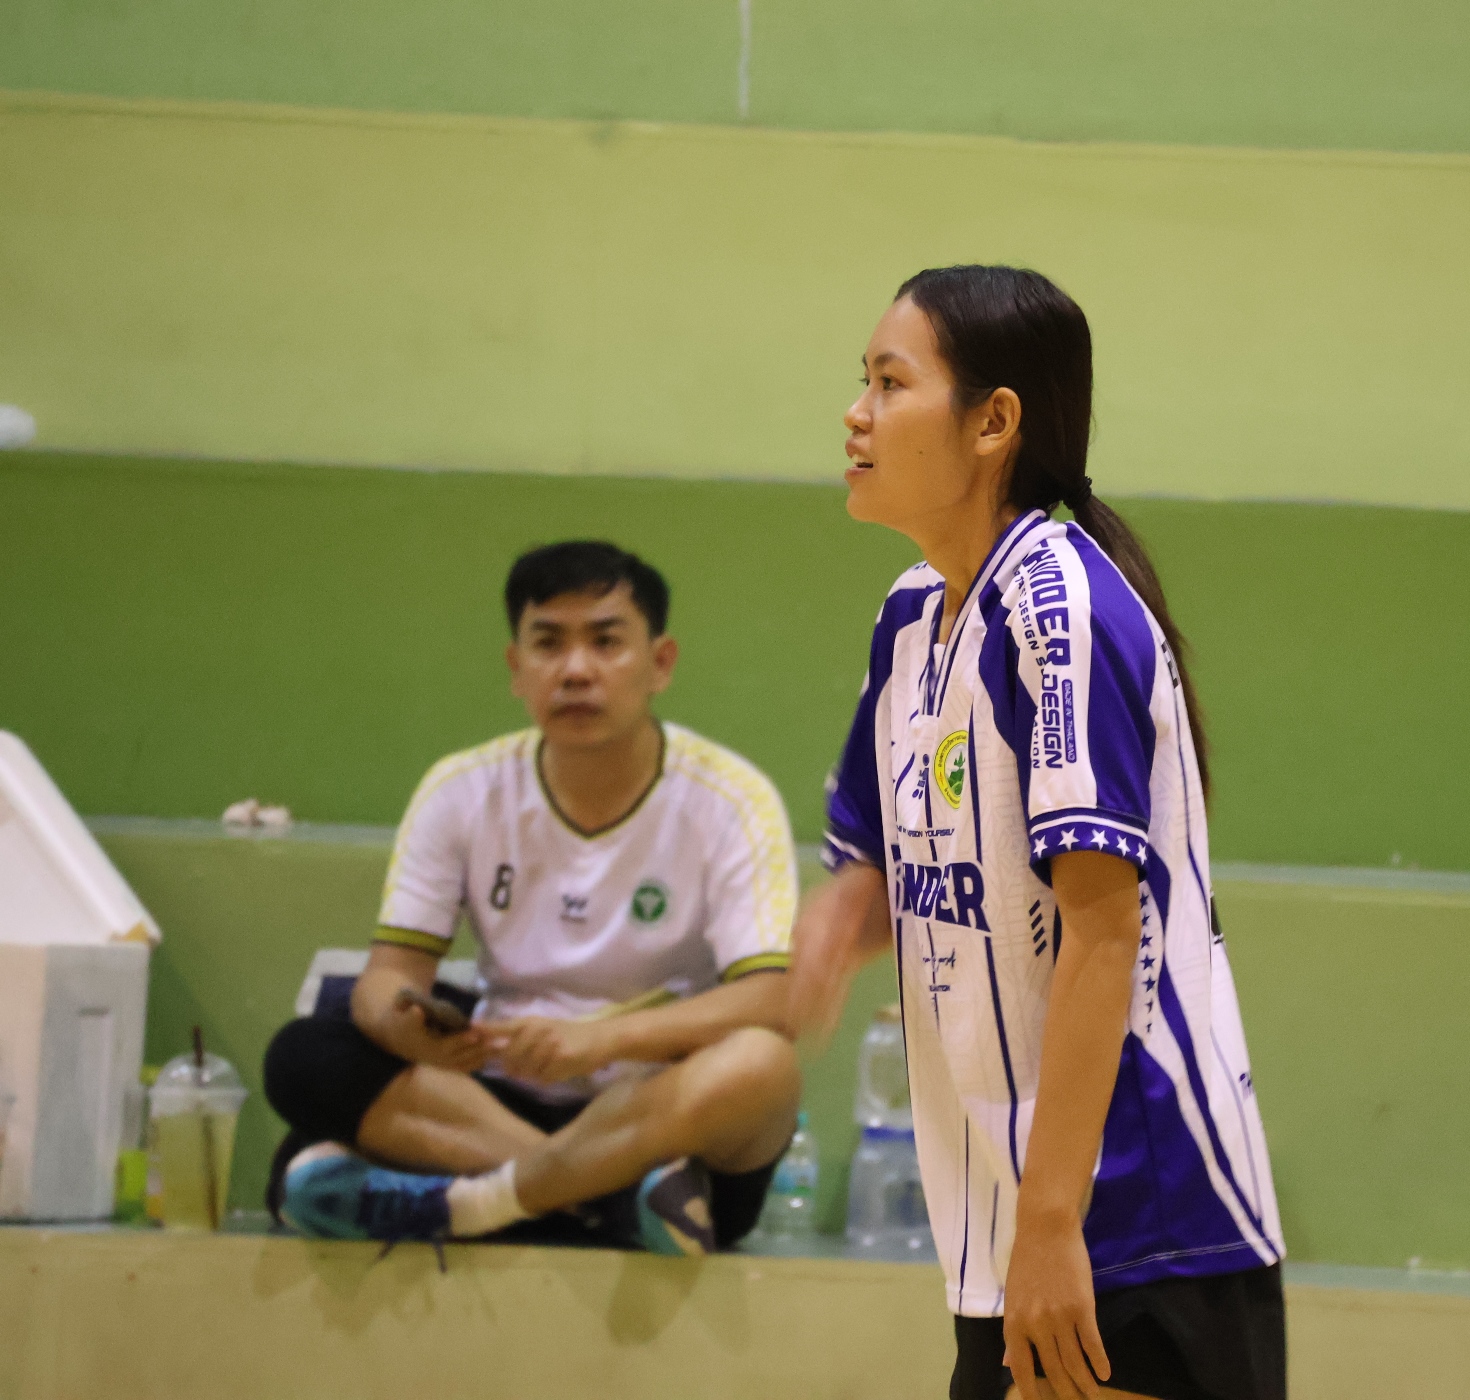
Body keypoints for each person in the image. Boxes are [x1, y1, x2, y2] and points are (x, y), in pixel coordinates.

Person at [789, 267, 1286, 1400]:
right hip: (1000, 1224)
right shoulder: (911, 618)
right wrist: (819, 941)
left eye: (890, 383)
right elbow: (878, 873)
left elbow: (1104, 931)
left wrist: (1058, 1225)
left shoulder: (1059, 611)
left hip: (1131, 1218)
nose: (856, 414)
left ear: (993, 421)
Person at [261, 541, 801, 1254]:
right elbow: (386, 979)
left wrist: (602, 1040)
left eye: (606, 642)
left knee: (763, 1066)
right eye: (548, 644)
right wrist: (406, 1028)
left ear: (660, 663)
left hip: (653, 1115)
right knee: (303, 1055)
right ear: (517, 669)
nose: (576, 670)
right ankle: (603, 1201)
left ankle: (479, 1202)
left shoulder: (731, 798)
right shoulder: (461, 790)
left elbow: (772, 1001)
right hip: (496, 1104)